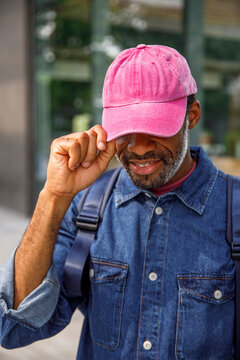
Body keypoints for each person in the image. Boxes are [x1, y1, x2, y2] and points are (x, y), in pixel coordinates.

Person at [0, 44, 235, 359]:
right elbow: (13, 326)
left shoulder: (233, 211)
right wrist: (54, 196)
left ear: (191, 116)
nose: (138, 148)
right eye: (125, 130)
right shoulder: (86, 208)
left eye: (154, 128)